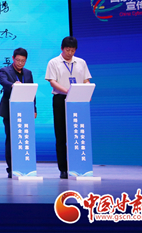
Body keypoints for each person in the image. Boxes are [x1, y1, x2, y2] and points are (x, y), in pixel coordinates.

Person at [45, 36, 93, 179]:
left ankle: (79, 166)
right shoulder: (54, 62)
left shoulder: (81, 62)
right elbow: (52, 81)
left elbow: (86, 79)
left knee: (78, 133)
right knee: (61, 135)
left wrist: (87, 90)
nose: (70, 53)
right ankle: (63, 169)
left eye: (72, 50)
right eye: (67, 50)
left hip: (78, 100)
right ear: (62, 48)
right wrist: (68, 91)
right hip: (61, 99)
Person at [0, 48, 36, 178]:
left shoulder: (28, 73)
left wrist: (34, 108)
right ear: (13, 58)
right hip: (9, 110)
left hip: (25, 111)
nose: (20, 63)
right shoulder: (5, 70)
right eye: (18, 60)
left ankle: (25, 165)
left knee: (24, 137)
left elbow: (32, 92)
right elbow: (3, 81)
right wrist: (13, 85)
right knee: (11, 138)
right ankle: (11, 167)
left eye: (23, 61)